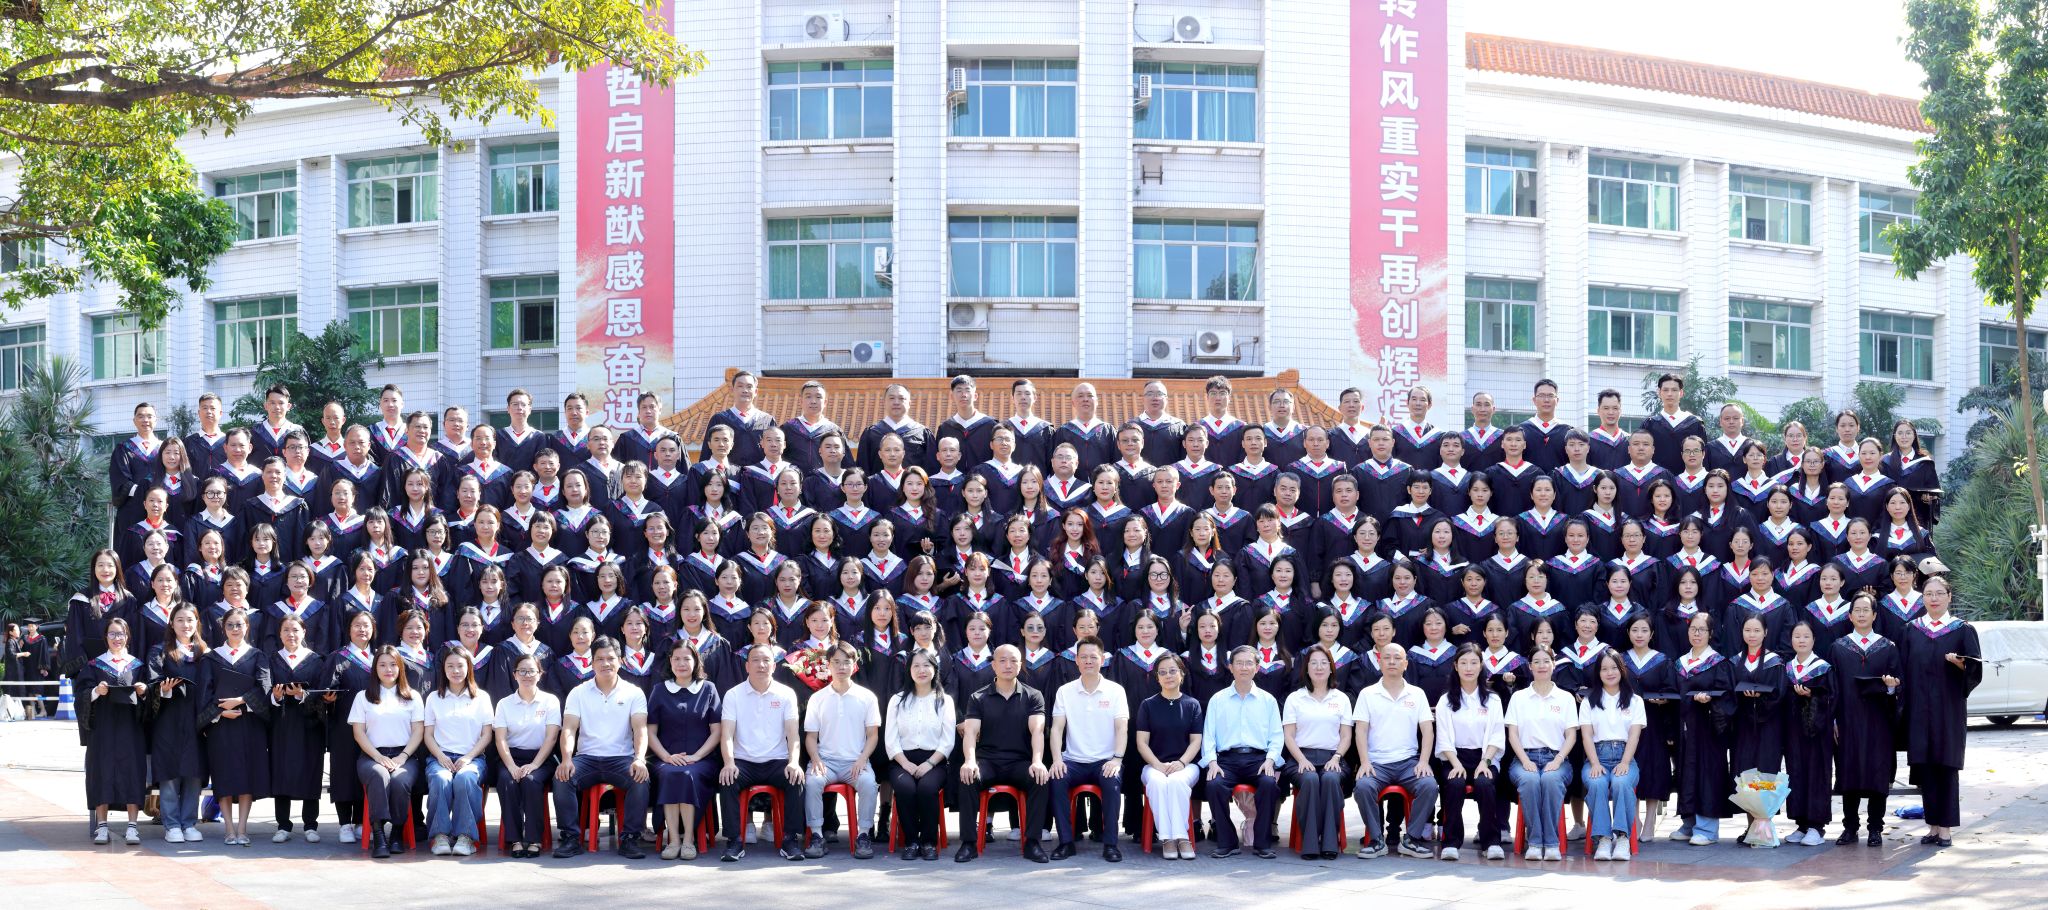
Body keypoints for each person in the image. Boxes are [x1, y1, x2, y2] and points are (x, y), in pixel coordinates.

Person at [547, 635, 651, 858]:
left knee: (640, 778)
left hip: (621, 758)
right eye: (599, 659)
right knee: (562, 777)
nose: (605, 663)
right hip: (587, 758)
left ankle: (630, 838)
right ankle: (571, 838)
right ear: (591, 663)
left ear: (621, 661)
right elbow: (569, 729)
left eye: (610, 658)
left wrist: (639, 759)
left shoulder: (633, 692)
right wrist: (566, 759)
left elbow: (640, 729)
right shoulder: (578, 692)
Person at [1899, 574, 1979, 847]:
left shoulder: (1962, 630)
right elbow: (1903, 670)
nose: (1933, 599)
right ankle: (1933, 826)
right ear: (1922, 599)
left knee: (1946, 766)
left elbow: (1975, 670)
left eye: (1939, 594)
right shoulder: (1912, 630)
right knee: (1926, 768)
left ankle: (1945, 828)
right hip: (1919, 711)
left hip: (1948, 711)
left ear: (1949, 597)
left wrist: (1960, 664)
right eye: (1928, 594)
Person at [955, 643, 1052, 863]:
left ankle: (1032, 842)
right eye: (1002, 660)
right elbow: (970, 732)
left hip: (1019, 762)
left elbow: (1037, 730)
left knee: (1040, 778)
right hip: (988, 761)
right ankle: (968, 843)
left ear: (1020, 664)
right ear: (993, 665)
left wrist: (1037, 761)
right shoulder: (978, 697)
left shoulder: (1033, 695)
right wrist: (969, 760)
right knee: (967, 776)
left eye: (1013, 661)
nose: (1008, 665)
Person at [1349, 642, 1439, 859]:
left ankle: (1411, 839)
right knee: (1362, 787)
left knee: (1429, 786)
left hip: (1409, 762)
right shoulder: (1368, 694)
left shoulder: (1416, 694)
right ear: (1379, 663)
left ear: (1405, 664)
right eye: (1387, 658)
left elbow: (1428, 731)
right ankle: (1376, 840)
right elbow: (1360, 731)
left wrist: (1423, 761)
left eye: (1397, 658)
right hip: (1376, 763)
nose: (1392, 662)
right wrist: (1365, 762)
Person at [717, 644, 806, 862]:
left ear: (774, 666)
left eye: (766, 660)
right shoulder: (733, 695)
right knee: (727, 779)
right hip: (743, 761)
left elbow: (793, 735)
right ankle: (734, 841)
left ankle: (790, 839)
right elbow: (726, 734)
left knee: (796, 778)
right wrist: (729, 762)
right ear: (747, 666)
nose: (761, 665)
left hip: (777, 760)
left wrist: (794, 762)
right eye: (755, 660)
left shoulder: (786, 694)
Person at [1048, 636, 1129, 862]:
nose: (1088, 661)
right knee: (1057, 778)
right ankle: (1066, 842)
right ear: (1076, 660)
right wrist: (1057, 759)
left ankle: (1111, 844)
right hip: (1073, 761)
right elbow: (1057, 729)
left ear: (1102, 659)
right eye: (1083, 657)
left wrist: (1117, 759)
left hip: (1105, 761)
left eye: (1093, 657)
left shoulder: (1115, 691)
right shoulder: (1065, 691)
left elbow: (1121, 728)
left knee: (1112, 783)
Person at [1830, 593, 1900, 846]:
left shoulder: (1888, 647)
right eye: (1856, 610)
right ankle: (1850, 827)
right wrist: (1833, 719)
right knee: (1849, 771)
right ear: (1849, 616)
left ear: (1874, 615)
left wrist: (1891, 687)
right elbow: (1832, 687)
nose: (1861, 614)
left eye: (1866, 610)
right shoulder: (1838, 647)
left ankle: (1875, 828)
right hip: (1847, 720)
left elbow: (1898, 684)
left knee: (1877, 772)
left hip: (1879, 720)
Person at [1200, 644, 1283, 859]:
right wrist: (1212, 762)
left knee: (1269, 784)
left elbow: (1276, 736)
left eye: (1248, 663)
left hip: (1258, 759)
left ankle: (1262, 843)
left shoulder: (1268, 700)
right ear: (1230, 667)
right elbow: (1208, 736)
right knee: (1214, 785)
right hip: (1226, 760)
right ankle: (1227, 842)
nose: (1244, 667)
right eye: (1239, 663)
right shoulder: (1218, 699)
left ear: (1257, 667)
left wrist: (1270, 760)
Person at [801, 641, 882, 859]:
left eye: (846, 662)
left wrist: (862, 759)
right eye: (836, 662)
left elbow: (873, 735)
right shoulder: (818, 698)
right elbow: (811, 737)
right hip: (825, 761)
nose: (841, 667)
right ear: (828, 665)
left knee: (868, 783)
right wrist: (815, 759)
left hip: (855, 761)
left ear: (854, 665)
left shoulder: (867, 697)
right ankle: (817, 835)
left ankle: (863, 834)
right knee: (812, 782)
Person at [199, 607, 272, 846]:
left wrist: (240, 701)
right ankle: (228, 829)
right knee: (224, 776)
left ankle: (242, 829)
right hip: (222, 726)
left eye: (239, 624)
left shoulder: (257, 656)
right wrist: (221, 711)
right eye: (230, 625)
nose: (234, 629)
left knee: (247, 776)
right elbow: (205, 692)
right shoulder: (211, 658)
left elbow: (264, 688)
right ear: (223, 628)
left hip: (249, 724)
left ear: (247, 627)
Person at [647, 639, 722, 860]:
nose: (681, 663)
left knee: (687, 773)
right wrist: (666, 757)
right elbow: (650, 732)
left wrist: (697, 756)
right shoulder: (659, 690)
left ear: (696, 661)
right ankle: (673, 840)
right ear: (670, 661)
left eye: (686, 659)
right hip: (666, 759)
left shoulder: (708, 689)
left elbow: (717, 731)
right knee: (672, 773)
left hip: (702, 760)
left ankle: (688, 840)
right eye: (677, 659)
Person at [349, 645, 424, 859]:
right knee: (379, 774)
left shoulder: (413, 697)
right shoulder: (363, 697)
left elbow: (418, 731)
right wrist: (378, 757)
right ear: (375, 668)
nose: (388, 669)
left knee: (400, 779)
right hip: (371, 756)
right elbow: (358, 733)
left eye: (393, 664)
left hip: (404, 756)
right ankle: (379, 833)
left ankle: (397, 833)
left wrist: (403, 756)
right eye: (382, 665)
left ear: (400, 667)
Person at [1433, 643, 1506, 861]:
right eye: (1463, 663)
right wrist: (1456, 764)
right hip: (1454, 757)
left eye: (1474, 663)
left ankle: (1491, 841)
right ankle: (1451, 842)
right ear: (1455, 666)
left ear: (1481, 665)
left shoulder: (1492, 699)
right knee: (1454, 784)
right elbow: (1443, 737)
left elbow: (1496, 735)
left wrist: (1485, 761)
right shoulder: (1446, 700)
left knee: (1485, 783)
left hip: (1484, 757)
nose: (1468, 668)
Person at [80, 618, 149, 846]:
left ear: (127, 637)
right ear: (106, 637)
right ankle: (102, 827)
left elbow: (151, 699)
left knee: (132, 773)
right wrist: (95, 692)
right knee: (101, 772)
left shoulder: (137, 665)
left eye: (121, 634)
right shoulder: (95, 665)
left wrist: (144, 691)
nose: (117, 638)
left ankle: (132, 827)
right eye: (112, 634)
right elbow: (81, 694)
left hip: (131, 729)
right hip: (103, 729)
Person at [422, 646, 495, 857]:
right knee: (440, 778)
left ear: (469, 668)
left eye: (460, 666)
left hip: (473, 758)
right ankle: (440, 836)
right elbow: (428, 735)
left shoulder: (481, 697)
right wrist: (440, 756)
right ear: (443, 669)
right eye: (450, 666)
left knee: (465, 778)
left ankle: (466, 836)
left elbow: (486, 735)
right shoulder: (434, 698)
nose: (455, 671)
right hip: (440, 757)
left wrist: (468, 757)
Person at [1283, 644, 1353, 860]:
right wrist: (1301, 759)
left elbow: (1346, 736)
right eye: (1314, 663)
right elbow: (1289, 736)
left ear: (1331, 668)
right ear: (1306, 668)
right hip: (1300, 757)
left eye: (1324, 663)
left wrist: (1337, 757)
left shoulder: (1341, 698)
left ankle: (1330, 842)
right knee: (1310, 779)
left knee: (1331, 779)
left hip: (1333, 757)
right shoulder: (1295, 698)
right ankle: (1310, 843)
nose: (1319, 667)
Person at [1505, 648, 1576, 861]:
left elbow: (1571, 736)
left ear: (1553, 665)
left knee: (1551, 780)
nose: (1542, 665)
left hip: (1557, 758)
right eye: (1537, 661)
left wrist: (1558, 760)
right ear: (1530, 666)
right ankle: (1535, 842)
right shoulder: (1519, 698)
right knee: (1530, 780)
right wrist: (1525, 760)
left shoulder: (1565, 698)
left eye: (1546, 661)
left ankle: (1551, 843)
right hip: (1524, 757)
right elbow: (1512, 734)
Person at [146, 604, 207, 843]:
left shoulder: (205, 652)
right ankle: (171, 825)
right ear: (171, 624)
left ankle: (189, 823)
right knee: (169, 771)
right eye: (180, 620)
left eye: (190, 620)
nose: (185, 625)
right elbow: (152, 683)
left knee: (194, 772)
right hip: (168, 718)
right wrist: (163, 689)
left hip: (197, 719)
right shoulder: (160, 651)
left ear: (197, 623)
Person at [886, 648, 955, 860]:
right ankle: (911, 842)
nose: (921, 670)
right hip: (902, 760)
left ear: (935, 669)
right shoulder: (897, 700)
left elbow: (947, 741)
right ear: (909, 670)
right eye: (916, 665)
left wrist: (930, 763)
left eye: (926, 665)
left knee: (927, 788)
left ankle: (928, 842)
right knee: (905, 788)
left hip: (934, 761)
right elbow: (890, 740)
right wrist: (905, 763)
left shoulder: (944, 700)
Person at [492, 653, 562, 859]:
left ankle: (534, 839)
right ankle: (514, 839)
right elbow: (500, 739)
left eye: (531, 671)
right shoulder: (504, 703)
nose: (527, 675)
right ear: (514, 675)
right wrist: (511, 766)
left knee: (531, 781)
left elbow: (551, 738)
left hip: (541, 757)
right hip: (511, 757)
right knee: (507, 781)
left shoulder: (550, 701)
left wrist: (535, 764)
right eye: (522, 671)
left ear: (540, 674)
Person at [1579, 650, 1645, 861]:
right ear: (1598, 673)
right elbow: (1586, 736)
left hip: (1624, 756)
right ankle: (1604, 839)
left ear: (1622, 670)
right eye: (1604, 669)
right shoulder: (1589, 701)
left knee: (1621, 783)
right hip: (1596, 756)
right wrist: (1594, 763)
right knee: (1596, 783)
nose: (1610, 673)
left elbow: (1634, 735)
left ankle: (1623, 838)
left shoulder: (1635, 701)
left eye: (1614, 668)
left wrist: (1625, 762)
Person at [267, 615, 328, 843]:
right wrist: (275, 696)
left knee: (310, 771)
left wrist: (303, 695)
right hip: (281, 725)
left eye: (295, 630)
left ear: (304, 632)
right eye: (286, 630)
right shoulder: (272, 659)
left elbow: (322, 693)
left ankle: (310, 824)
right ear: (280, 634)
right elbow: (264, 689)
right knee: (281, 771)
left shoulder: (317, 661)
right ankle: (283, 825)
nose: (291, 634)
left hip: (309, 725)